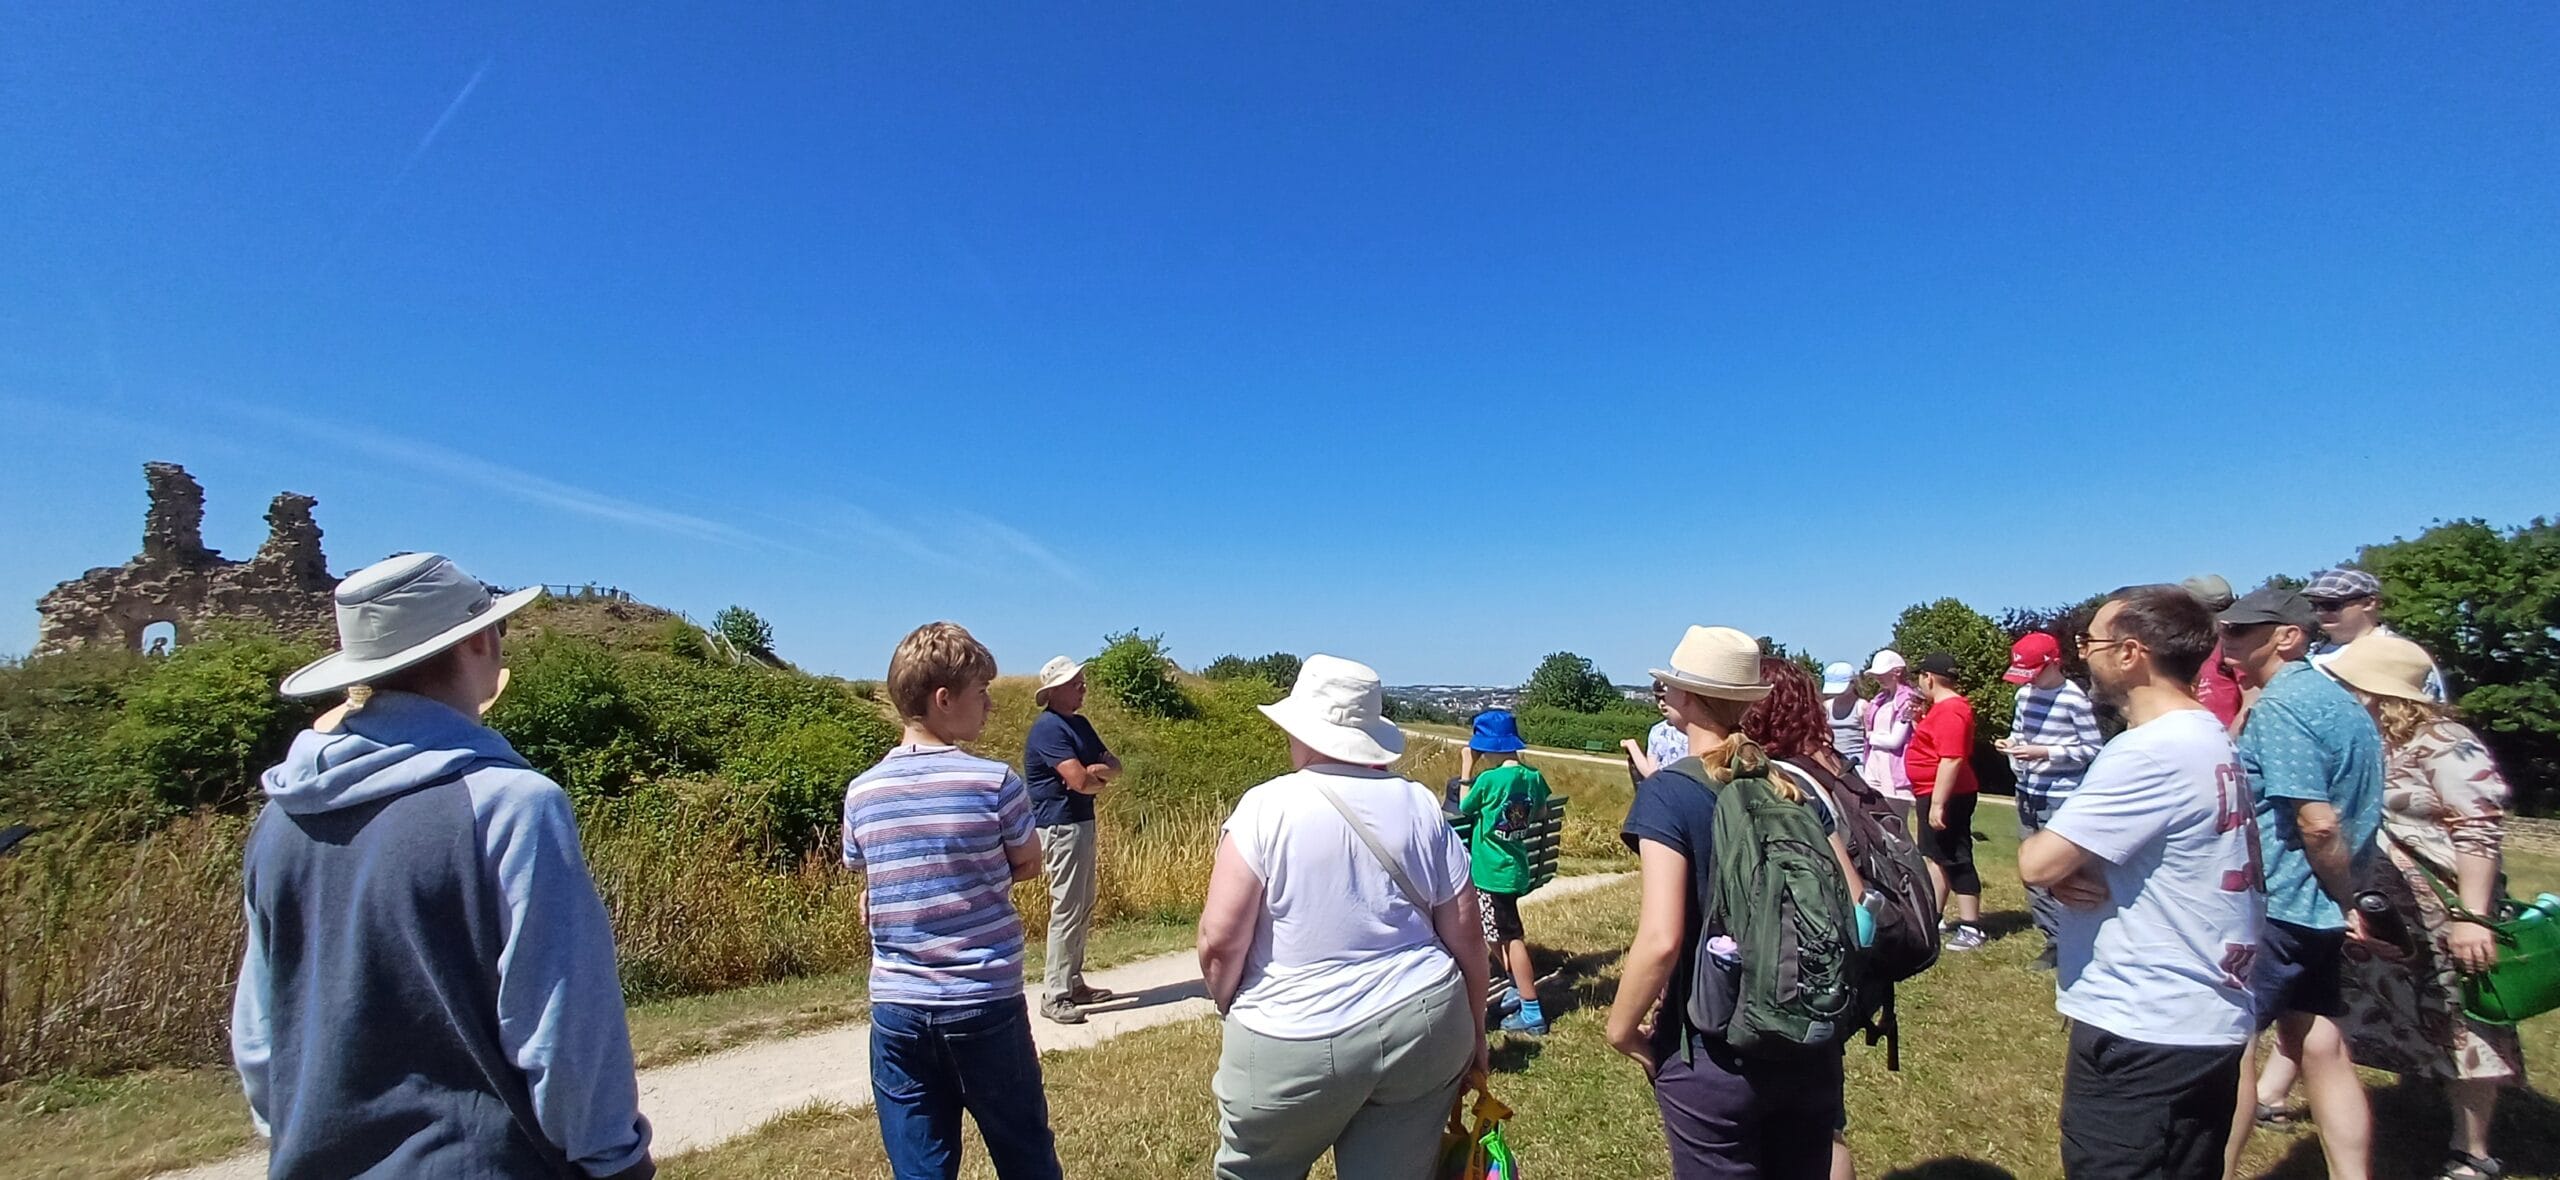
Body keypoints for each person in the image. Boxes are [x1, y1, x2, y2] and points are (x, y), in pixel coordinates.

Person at [230, 553, 653, 1179]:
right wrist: (613, 1159)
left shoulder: (281, 817)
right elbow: (562, 1026)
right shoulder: (511, 804)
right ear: (480, 640)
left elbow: (261, 1035)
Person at [1197, 655, 1489, 1180]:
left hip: (1291, 1035)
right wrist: (1476, 1031)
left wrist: (1232, 1006)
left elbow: (1220, 941)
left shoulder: (1266, 808)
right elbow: (1467, 936)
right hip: (1424, 1020)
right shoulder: (1420, 804)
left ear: (1304, 732)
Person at [2017, 585, 2263, 1180]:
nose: (2084, 656)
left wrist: (2056, 868)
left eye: (2091, 643)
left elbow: (2038, 863)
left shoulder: (2149, 751)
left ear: (2131, 653)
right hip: (2203, 1012)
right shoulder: (2207, 734)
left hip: (2145, 1022)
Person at [1608, 625, 1842, 1180]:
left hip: (1710, 1048)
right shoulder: (1794, 786)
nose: (1664, 696)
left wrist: (1622, 1030)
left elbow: (1662, 939)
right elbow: (1852, 908)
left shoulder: (1669, 791)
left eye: (1670, 687)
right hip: (1807, 1042)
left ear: (1687, 698)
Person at [843, 622, 1061, 1180]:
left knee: (921, 1164)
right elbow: (1030, 861)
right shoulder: (994, 783)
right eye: (980, 693)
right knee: (1024, 1154)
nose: (989, 705)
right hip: (982, 1000)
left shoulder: (862, 791)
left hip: (897, 1008)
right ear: (944, 700)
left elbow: (870, 879)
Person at [2323, 634, 2522, 1180]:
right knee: (2370, 1012)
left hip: (2444, 911)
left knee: (2465, 1024)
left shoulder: (2446, 742)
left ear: (2377, 691)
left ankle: (2472, 1150)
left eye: (2347, 685)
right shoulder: (2370, 742)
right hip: (2386, 910)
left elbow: (2479, 830)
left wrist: (2471, 918)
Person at [2216, 586, 2383, 1180]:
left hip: (2280, 907)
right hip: (2312, 912)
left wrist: (2344, 899)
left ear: (2287, 636)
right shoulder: (2334, 700)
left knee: (2227, 1052)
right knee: (2322, 1045)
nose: (2226, 640)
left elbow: (2317, 822)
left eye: (2240, 631)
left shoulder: (2286, 705)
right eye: (2225, 629)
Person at [1023, 655, 1124, 1026]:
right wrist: (1092, 776)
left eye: (1082, 681)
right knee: (1066, 908)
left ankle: (1073, 981)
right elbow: (1079, 781)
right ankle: (1055, 993)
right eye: (1075, 682)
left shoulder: (1078, 724)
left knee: (1082, 905)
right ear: (1054, 691)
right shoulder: (1049, 729)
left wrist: (1095, 773)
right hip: (1060, 826)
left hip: (1081, 822)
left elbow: (1113, 766)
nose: (1083, 687)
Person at [1998, 632, 2105, 969]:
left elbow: (2092, 750)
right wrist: (2013, 748)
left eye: (2034, 672)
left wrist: (2045, 752)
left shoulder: (2073, 699)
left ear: (2054, 663)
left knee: (2063, 873)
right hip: (2028, 791)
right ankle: (2053, 938)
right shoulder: (2024, 695)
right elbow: (2020, 732)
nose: (2029, 681)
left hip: (2061, 796)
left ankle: (2080, 939)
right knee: (2032, 871)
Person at [1458, 709, 1554, 1035]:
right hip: (1515, 868)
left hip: (1491, 872)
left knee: (1509, 937)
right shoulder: (1533, 777)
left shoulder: (1488, 779)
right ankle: (1516, 986)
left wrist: (1466, 766)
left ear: (1488, 747)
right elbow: (1540, 810)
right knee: (1498, 932)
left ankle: (1530, 1008)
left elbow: (1463, 806)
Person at [1906, 652, 1986, 951]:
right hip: (1932, 791)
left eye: (1920, 678)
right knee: (1935, 856)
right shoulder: (1939, 710)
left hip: (1948, 794)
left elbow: (1951, 759)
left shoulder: (1951, 710)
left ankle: (1971, 926)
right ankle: (1933, 915)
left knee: (1956, 857)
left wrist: (1938, 803)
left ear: (1928, 677)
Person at [2305, 568, 2449, 703]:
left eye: (2331, 604)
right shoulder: (2308, 653)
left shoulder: (2401, 654)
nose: (2320, 612)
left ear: (2369, 603)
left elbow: (2429, 710)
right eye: (2314, 605)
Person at [1858, 651, 1919, 827]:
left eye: (1882, 673)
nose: (1879, 678)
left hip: (1894, 767)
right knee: (1874, 821)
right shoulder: (1880, 699)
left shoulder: (1907, 699)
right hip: (1874, 764)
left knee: (1896, 824)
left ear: (1897, 672)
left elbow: (1895, 741)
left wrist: (1871, 737)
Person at [2181, 575, 2245, 730]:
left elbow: (2251, 701)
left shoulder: (2233, 646)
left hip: (2223, 740)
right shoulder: (2181, 647)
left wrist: (2228, 743)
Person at [1626, 680, 1692, 779]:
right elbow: (1651, 772)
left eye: (1665, 698)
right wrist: (1632, 746)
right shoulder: (1656, 731)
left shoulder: (1691, 729)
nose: (1661, 703)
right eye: (1658, 698)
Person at [1822, 661, 1867, 773]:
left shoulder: (1862, 706)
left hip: (1858, 763)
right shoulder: (1827, 706)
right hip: (1834, 760)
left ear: (1853, 683)